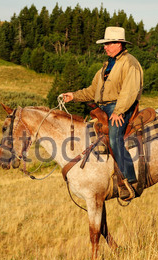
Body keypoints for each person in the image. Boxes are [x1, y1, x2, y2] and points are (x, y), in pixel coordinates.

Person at [62, 26, 143, 199]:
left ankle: (130, 180)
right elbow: (93, 90)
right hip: (104, 107)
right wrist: (74, 96)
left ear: (119, 44)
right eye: (105, 44)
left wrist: (119, 111)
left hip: (121, 107)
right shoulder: (107, 65)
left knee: (114, 138)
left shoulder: (130, 63)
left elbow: (130, 90)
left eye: (109, 43)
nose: (105, 47)